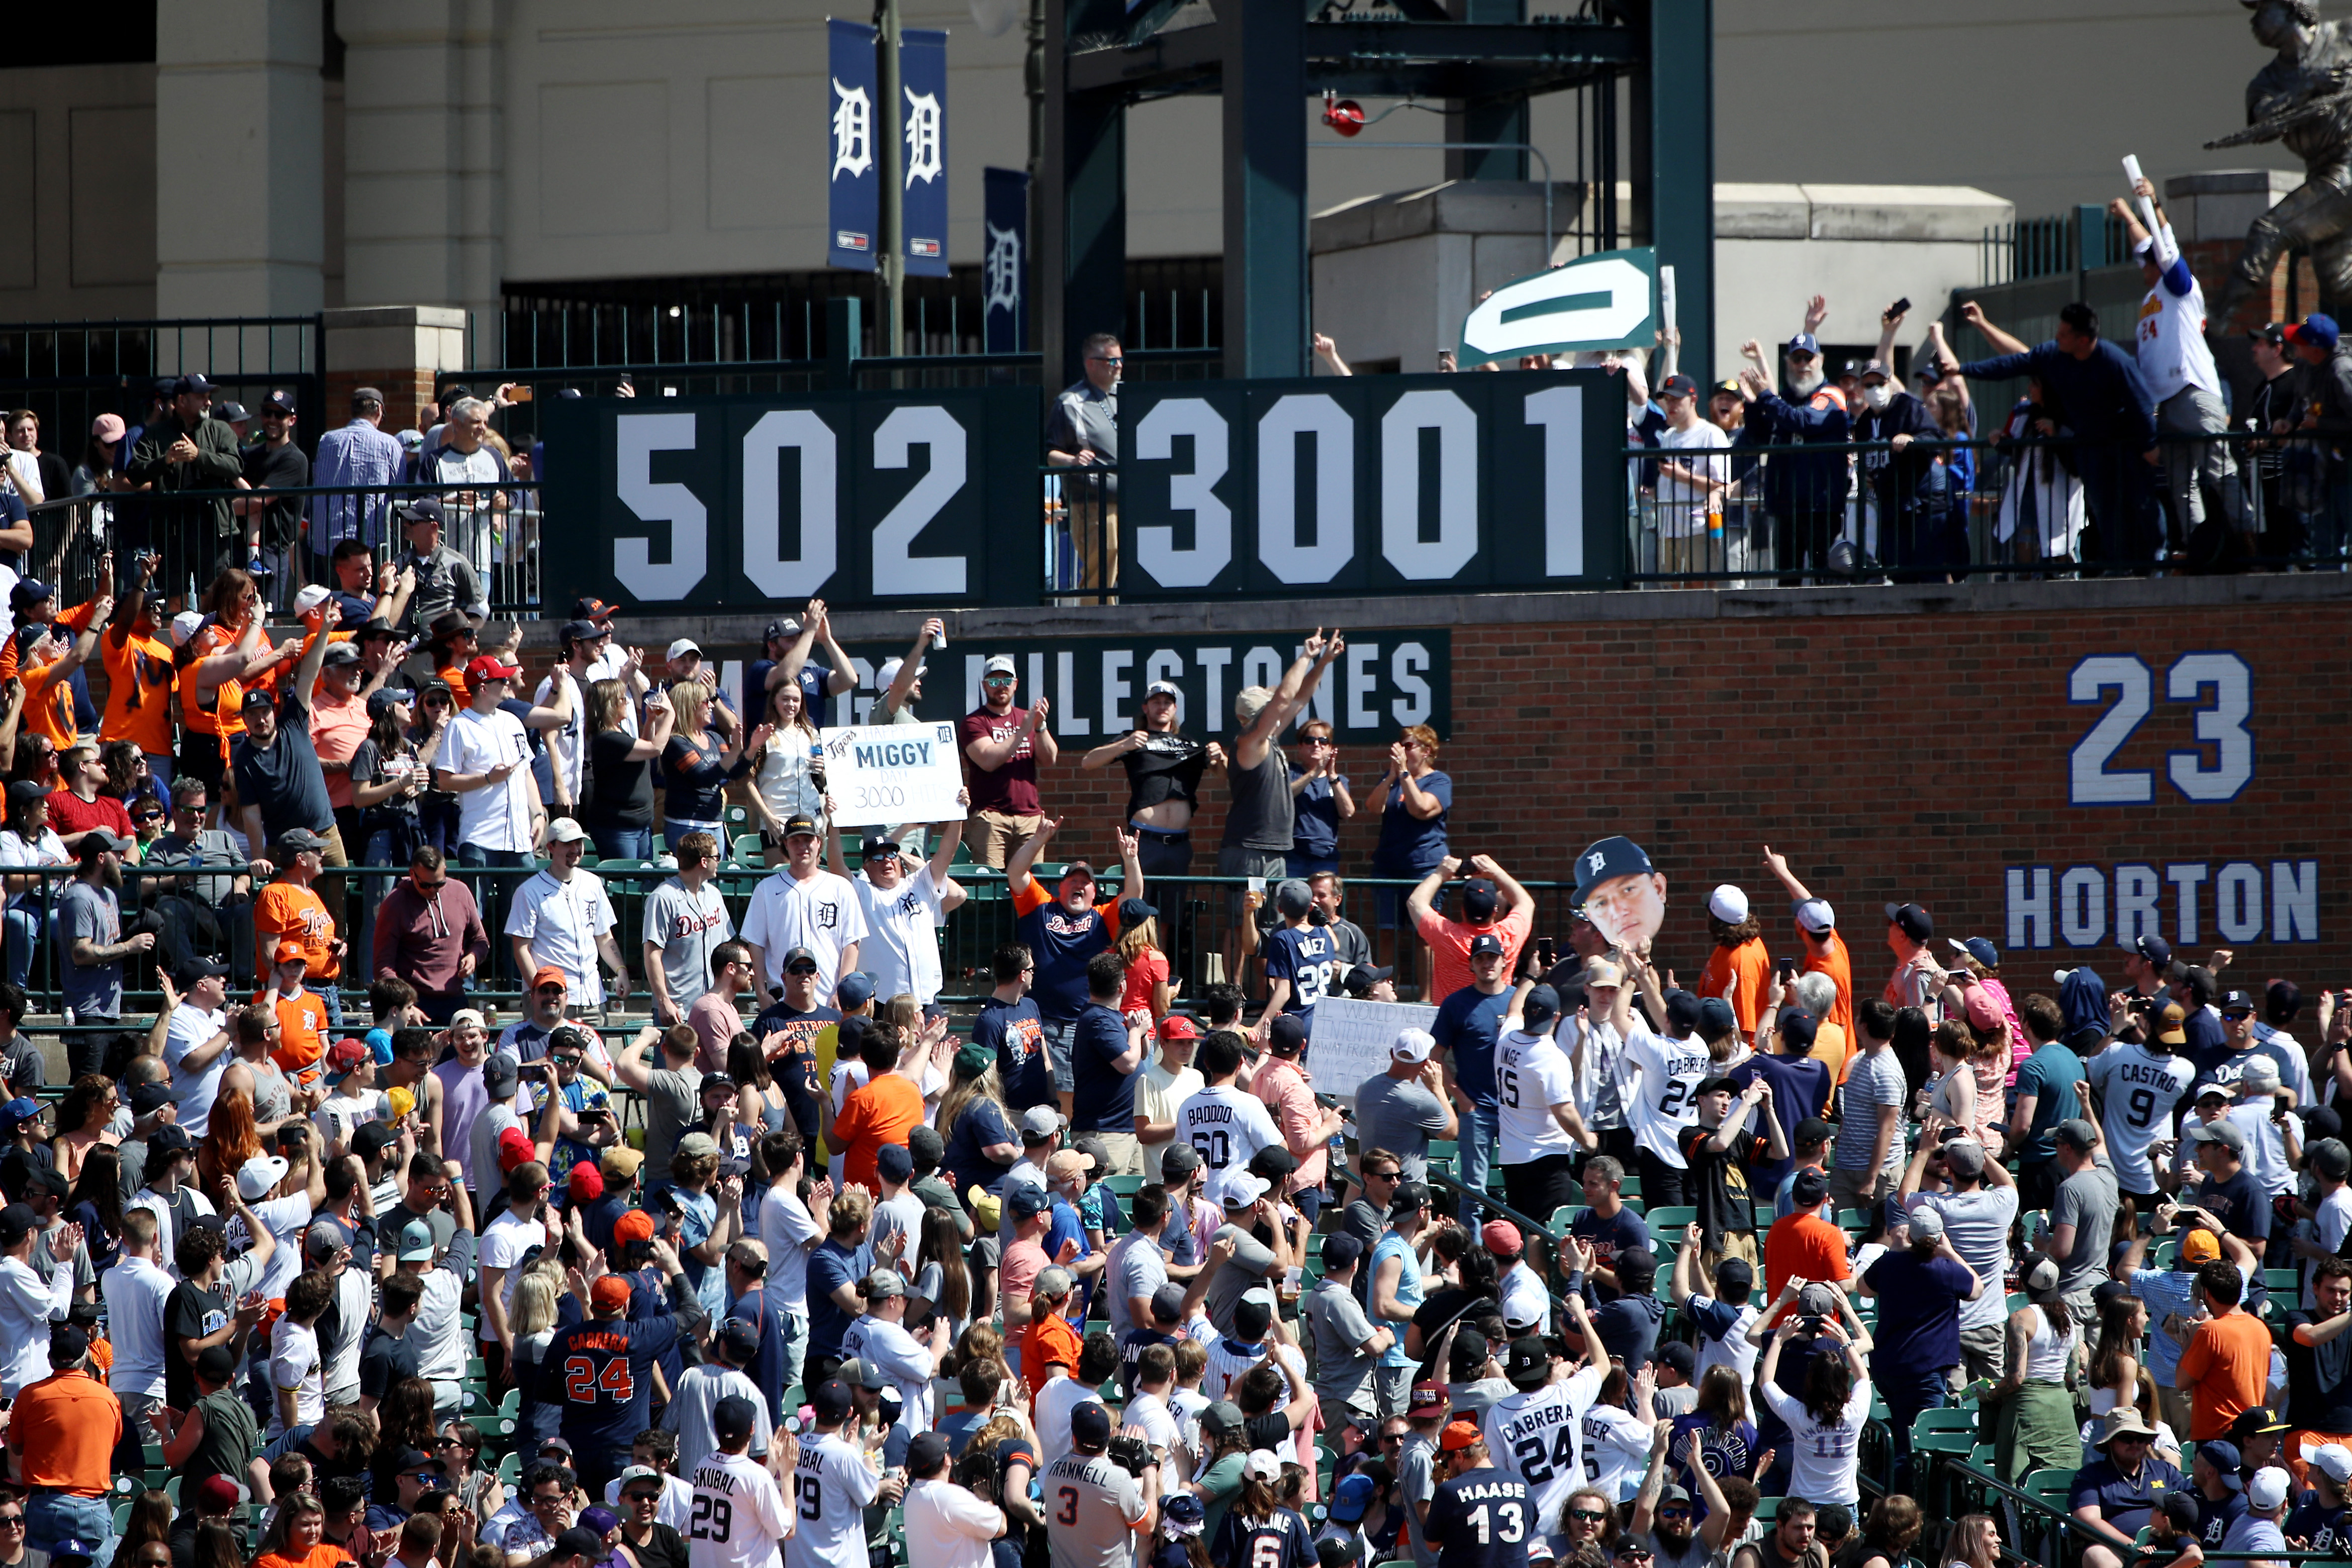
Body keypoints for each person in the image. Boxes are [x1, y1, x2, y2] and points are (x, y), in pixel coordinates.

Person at [1929, 303, 2157, 569]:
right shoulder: (2053, 355)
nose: (2057, 338)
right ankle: (2118, 565)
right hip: (2088, 446)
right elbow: (2011, 363)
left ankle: (2156, 560)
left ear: (2082, 340)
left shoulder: (2114, 360)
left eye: (2063, 334)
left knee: (2141, 502)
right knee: (2104, 509)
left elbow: (2141, 403)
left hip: (2124, 443)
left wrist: (2150, 443)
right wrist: (1964, 369)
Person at [1219, 633, 1346, 908]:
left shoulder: (1269, 739)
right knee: (1242, 924)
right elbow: (1285, 697)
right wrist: (1305, 656)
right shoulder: (1250, 741)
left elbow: (1300, 698)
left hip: (1274, 850)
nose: (1278, 709)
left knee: (1269, 928)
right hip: (1249, 850)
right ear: (1255, 716)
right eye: (1270, 706)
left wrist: (1323, 663)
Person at [1858, 1204, 1980, 1485]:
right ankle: (1901, 1513)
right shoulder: (1946, 1269)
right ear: (1939, 1237)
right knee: (1914, 1446)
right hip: (1923, 1373)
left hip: (1888, 1366)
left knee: (1903, 1436)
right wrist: (1948, 1250)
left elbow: (1863, 1288)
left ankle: (1892, 1504)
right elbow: (1976, 1288)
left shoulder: (1890, 1263)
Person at [1079, 677, 1226, 879]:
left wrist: (1221, 758)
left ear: (1175, 709)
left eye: (1167, 703)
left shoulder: (1189, 744)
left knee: (1173, 909)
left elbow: (1224, 776)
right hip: (1143, 841)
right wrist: (1124, 745)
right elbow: (1088, 762)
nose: (1162, 707)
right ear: (1146, 708)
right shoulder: (1134, 738)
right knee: (1138, 907)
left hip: (1179, 843)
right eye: (1156, 702)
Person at [740, 813, 866, 1007]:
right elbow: (756, 944)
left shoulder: (841, 887)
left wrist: (843, 990)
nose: (802, 846)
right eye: (795, 841)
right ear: (785, 845)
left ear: (819, 844)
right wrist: (761, 992)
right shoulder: (766, 889)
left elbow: (851, 942)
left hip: (830, 999)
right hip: (781, 1000)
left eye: (808, 840)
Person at [1755, 1308, 1871, 1509]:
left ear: (1811, 1381)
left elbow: (1766, 1382)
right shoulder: (1856, 1412)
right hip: (1844, 1504)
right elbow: (1863, 1377)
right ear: (1844, 1379)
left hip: (1805, 1506)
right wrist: (1845, 1340)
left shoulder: (1800, 1415)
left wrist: (1778, 1341)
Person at [960, 655, 1056, 869]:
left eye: (1006, 681)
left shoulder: (1028, 718)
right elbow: (988, 760)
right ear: (984, 686)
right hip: (990, 817)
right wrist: (1023, 730)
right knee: (990, 888)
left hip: (1030, 819)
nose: (1000, 687)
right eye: (994, 682)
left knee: (1030, 887)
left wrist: (1040, 727)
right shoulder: (974, 722)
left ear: (1016, 684)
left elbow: (1049, 759)